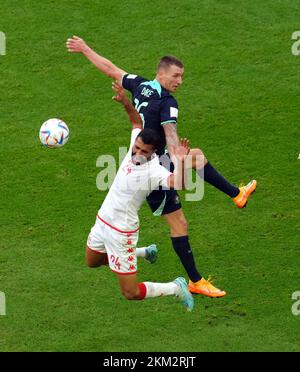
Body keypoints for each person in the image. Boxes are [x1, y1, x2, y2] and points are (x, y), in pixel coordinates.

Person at [67, 36, 257, 297]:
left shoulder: (140, 84)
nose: (180, 81)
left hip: (143, 152)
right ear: (162, 72)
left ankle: (237, 194)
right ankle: (194, 281)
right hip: (152, 165)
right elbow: (169, 131)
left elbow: (111, 69)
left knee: (198, 157)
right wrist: (177, 156)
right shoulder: (168, 102)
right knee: (179, 224)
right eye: (177, 76)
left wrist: (85, 49)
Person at [85, 82, 194, 311]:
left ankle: (176, 287)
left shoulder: (156, 171)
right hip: (103, 220)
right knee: (92, 261)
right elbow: (136, 122)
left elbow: (180, 183)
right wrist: (126, 102)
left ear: (154, 152)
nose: (137, 153)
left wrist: (182, 163)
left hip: (122, 231)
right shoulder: (135, 144)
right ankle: (145, 252)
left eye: (144, 151)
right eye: (137, 148)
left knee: (130, 292)